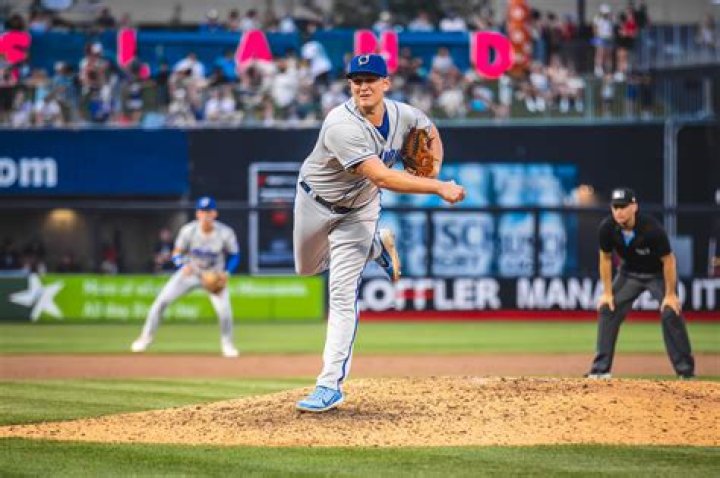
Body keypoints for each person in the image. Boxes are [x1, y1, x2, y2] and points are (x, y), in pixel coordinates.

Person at [294, 54, 466, 412]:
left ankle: (329, 384)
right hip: (315, 202)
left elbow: (431, 132)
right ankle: (375, 248)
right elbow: (383, 176)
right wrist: (437, 186)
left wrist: (433, 167)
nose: (363, 86)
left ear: (386, 83)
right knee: (306, 269)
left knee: (342, 295)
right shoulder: (341, 124)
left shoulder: (406, 115)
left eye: (370, 79)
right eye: (356, 80)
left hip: (361, 209)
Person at [586, 188, 695, 379]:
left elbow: (669, 260)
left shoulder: (651, 229)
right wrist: (607, 293)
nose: (619, 211)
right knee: (607, 308)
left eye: (623, 207)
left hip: (657, 275)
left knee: (671, 312)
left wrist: (670, 295)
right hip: (629, 273)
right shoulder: (607, 227)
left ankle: (686, 372)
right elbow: (605, 258)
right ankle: (601, 370)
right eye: (615, 207)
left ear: (634, 207)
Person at [131, 197, 241, 358]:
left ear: (215, 213)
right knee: (161, 302)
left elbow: (235, 255)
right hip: (190, 274)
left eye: (209, 211)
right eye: (202, 211)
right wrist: (182, 265)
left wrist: (226, 273)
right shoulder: (189, 230)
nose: (206, 215)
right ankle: (144, 339)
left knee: (225, 312)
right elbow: (176, 253)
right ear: (197, 214)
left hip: (214, 276)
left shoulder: (225, 232)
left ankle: (227, 345)